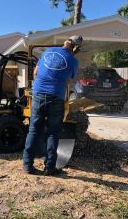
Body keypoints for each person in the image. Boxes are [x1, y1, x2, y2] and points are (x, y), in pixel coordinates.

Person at [23, 35, 82, 176]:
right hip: (56, 97)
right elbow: (69, 80)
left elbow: (36, 73)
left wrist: (41, 86)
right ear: (75, 48)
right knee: (53, 133)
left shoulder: (47, 52)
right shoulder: (73, 61)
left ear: (65, 43)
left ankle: (27, 166)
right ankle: (49, 168)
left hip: (38, 94)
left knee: (34, 130)